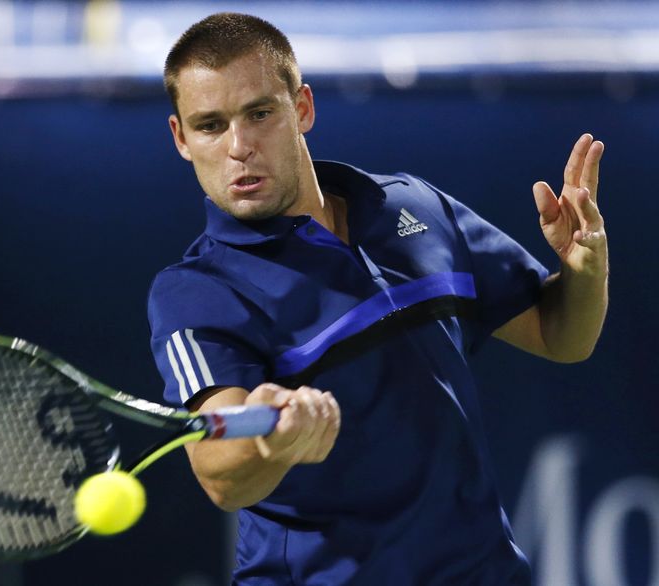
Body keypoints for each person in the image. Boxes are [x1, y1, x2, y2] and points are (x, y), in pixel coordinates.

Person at [147, 12, 607, 585]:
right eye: (210, 125)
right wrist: (271, 442)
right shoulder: (198, 291)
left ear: (303, 108)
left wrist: (585, 272)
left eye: (259, 114)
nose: (239, 147)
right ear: (182, 139)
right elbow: (219, 472)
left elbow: (560, 335)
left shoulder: (413, 207)